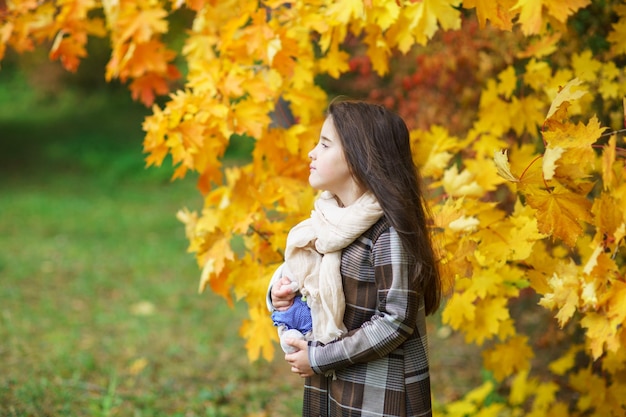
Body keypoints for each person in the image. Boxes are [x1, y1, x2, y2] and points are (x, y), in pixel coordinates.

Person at [268, 99, 442, 417]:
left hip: (378, 392)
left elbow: (395, 321)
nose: (312, 153)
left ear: (359, 156)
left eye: (324, 144)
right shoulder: (330, 221)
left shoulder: (387, 232)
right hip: (334, 385)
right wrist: (284, 295)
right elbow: (306, 277)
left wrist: (319, 358)